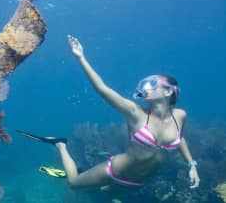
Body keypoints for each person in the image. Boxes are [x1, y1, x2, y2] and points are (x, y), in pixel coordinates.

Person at [21, 35, 200, 192]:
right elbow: (102, 89)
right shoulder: (135, 112)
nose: (146, 87)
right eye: (146, 83)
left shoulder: (180, 116)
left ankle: (89, 175)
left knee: (107, 195)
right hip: (115, 171)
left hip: (141, 182)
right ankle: (61, 145)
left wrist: (191, 165)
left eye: (153, 84)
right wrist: (81, 58)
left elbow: (180, 138)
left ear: (169, 92)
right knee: (73, 184)